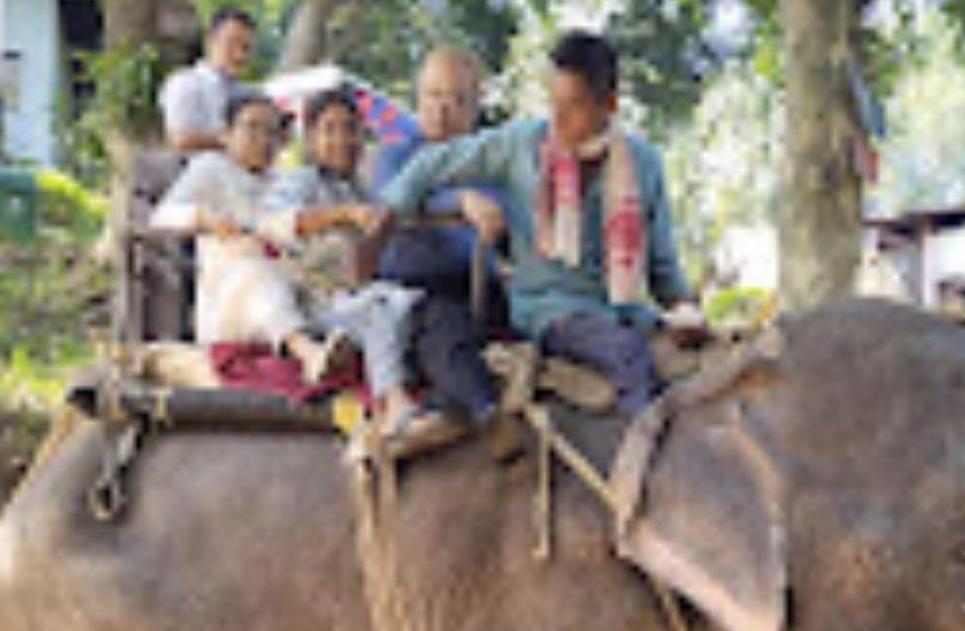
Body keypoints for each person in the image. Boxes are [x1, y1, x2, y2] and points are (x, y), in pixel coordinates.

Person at [369, 30, 704, 415]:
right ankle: (637, 470)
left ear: (609, 105)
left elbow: (663, 269)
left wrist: (685, 310)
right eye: (553, 103)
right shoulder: (521, 145)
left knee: (695, 365)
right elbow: (430, 165)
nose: (558, 119)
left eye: (574, 106)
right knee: (627, 356)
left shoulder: (644, 164)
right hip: (549, 310)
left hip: (623, 310)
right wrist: (387, 217)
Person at [260, 87, 446, 439]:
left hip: (359, 297)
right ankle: (393, 402)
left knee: (406, 302)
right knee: (380, 306)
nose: (342, 139)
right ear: (311, 138)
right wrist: (342, 215)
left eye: (351, 129)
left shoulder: (364, 189)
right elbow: (276, 224)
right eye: (329, 129)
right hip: (316, 302)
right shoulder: (300, 181)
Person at [150, 89, 343, 386]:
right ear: (226, 134)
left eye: (271, 130)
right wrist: (205, 220)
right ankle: (307, 352)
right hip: (230, 302)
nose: (264, 139)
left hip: (288, 285)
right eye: (252, 128)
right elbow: (161, 217)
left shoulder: (284, 182)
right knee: (258, 273)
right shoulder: (210, 169)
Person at [371, 45, 509, 315]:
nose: (442, 109)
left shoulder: (490, 157)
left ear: (475, 108)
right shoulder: (397, 154)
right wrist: (458, 202)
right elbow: (387, 202)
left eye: (458, 100)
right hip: (419, 286)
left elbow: (506, 205)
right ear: (419, 97)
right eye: (434, 95)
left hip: (485, 284)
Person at [160, 8, 258, 153]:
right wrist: (236, 142)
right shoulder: (186, 83)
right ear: (210, 41)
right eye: (232, 43)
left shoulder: (251, 94)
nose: (239, 54)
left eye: (246, 48)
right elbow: (181, 139)